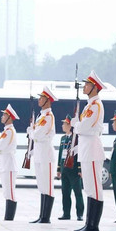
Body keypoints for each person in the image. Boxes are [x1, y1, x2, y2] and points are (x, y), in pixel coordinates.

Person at [72, 71, 106, 231]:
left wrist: (76, 125)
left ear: (95, 87)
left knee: (95, 188)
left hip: (92, 150)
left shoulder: (95, 105)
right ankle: (89, 224)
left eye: (87, 84)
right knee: (89, 188)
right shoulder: (89, 105)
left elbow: (83, 127)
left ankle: (93, 226)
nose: (84, 86)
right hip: (86, 150)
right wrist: (78, 125)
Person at [27, 87, 57, 223]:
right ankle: (41, 216)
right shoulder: (41, 116)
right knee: (41, 184)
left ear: (48, 100)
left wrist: (32, 133)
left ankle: (46, 217)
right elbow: (36, 134)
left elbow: (37, 134)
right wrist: (34, 133)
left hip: (46, 154)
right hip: (39, 153)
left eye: (41, 98)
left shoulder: (48, 116)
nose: (39, 100)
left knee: (48, 185)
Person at [56, 116, 85, 221]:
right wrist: (59, 169)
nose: (63, 126)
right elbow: (60, 154)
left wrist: (80, 169)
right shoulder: (63, 138)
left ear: (70, 125)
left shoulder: (76, 138)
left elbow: (79, 154)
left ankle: (80, 214)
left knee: (77, 192)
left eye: (65, 124)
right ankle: (66, 213)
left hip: (73, 169)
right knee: (65, 192)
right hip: (64, 169)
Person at [0, 105, 19, 220]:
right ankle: (7, 216)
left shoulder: (9, 131)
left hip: (9, 164)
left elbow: (0, 145)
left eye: (4, 115)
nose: (2, 117)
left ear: (9, 117)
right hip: (4, 164)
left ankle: (9, 217)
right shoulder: (6, 131)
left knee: (10, 191)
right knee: (6, 191)